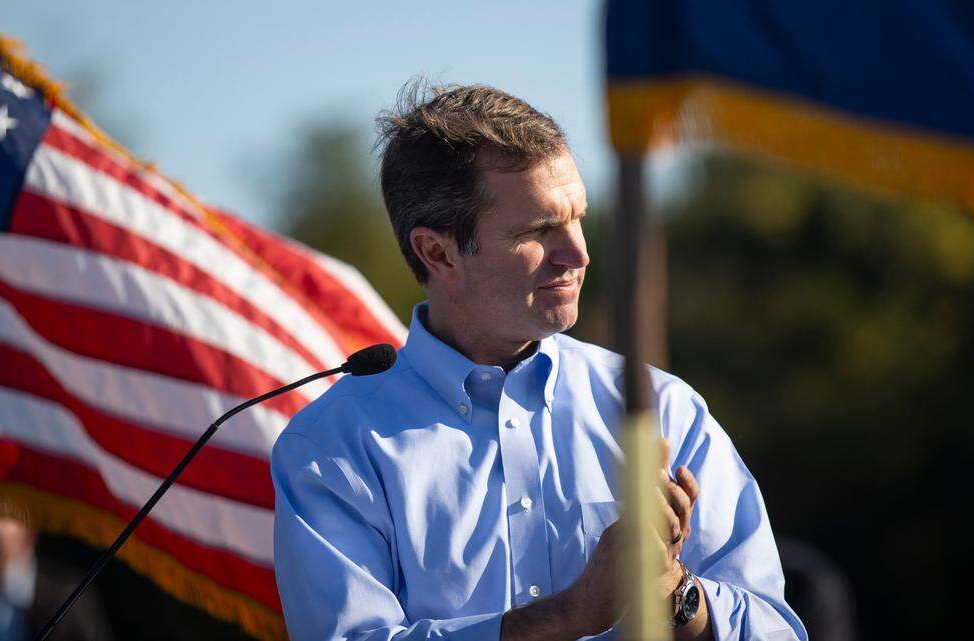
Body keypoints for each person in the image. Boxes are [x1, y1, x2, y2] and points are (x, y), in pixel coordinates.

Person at [271, 82, 807, 641]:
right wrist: (568, 615)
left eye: (577, 219)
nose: (579, 253)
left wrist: (674, 595)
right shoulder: (332, 448)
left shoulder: (664, 410)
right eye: (538, 231)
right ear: (437, 252)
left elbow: (776, 631)